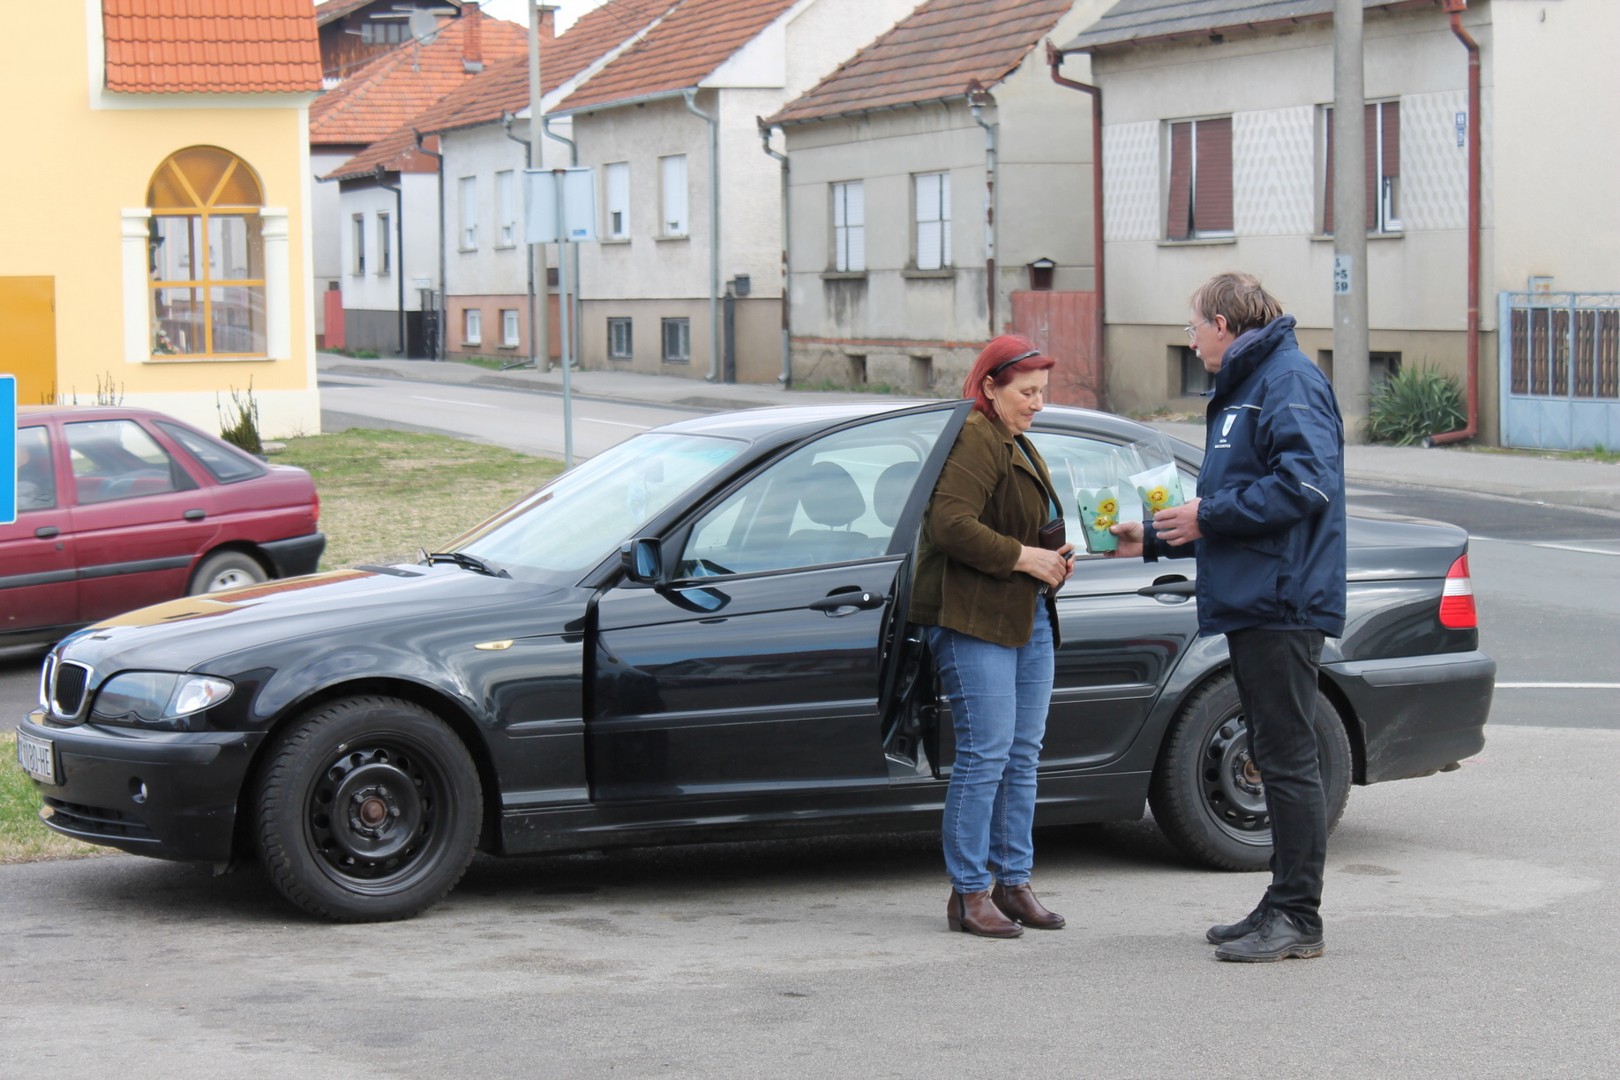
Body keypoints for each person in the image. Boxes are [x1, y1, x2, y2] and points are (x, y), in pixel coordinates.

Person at [1112, 272, 1346, 962]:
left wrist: (1205, 515)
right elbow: (1233, 498)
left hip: (1282, 600)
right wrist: (1152, 536)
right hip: (1255, 597)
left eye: (1192, 327)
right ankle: (1281, 901)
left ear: (1223, 324)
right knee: (1277, 757)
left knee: (1289, 759)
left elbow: (1306, 483)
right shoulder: (1250, 383)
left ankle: (1299, 915)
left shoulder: (1287, 380)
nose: (1189, 339)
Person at [909, 334, 1075, 938]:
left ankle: (1014, 882)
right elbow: (950, 525)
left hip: (1022, 614)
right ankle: (969, 893)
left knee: (1021, 755)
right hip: (972, 618)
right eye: (1026, 392)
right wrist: (1024, 558)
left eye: (1042, 393)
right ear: (989, 388)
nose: (1037, 403)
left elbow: (1016, 526)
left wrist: (1050, 559)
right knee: (985, 756)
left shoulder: (1014, 440)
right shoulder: (975, 435)